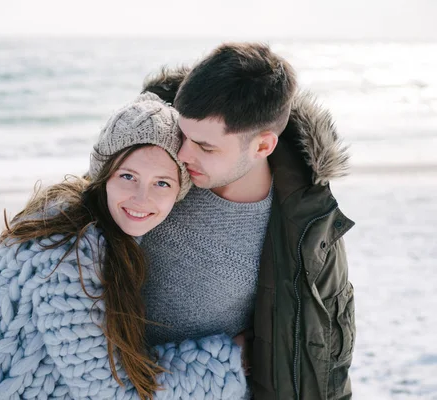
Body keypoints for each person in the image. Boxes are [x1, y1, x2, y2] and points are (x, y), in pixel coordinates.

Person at [0, 93, 248, 400]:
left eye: (162, 183)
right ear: (104, 175)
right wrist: (234, 358)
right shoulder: (66, 252)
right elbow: (111, 390)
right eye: (128, 176)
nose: (142, 198)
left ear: (179, 192)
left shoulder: (86, 225)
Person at [140, 43, 356, 400]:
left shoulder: (308, 232)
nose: (182, 153)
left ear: (262, 146)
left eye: (205, 147)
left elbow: (325, 361)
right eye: (183, 134)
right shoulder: (148, 169)